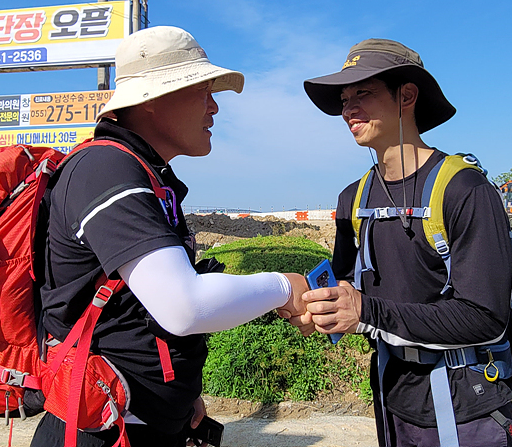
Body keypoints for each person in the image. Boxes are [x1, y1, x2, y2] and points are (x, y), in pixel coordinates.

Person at [33, 26, 310, 447]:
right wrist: (282, 287)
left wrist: (181, 393)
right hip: (101, 432)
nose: (214, 107)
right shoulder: (107, 170)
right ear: (152, 99)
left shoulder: (143, 172)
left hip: (139, 420)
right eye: (202, 91)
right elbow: (184, 306)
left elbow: (135, 307)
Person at [296, 39, 512, 447]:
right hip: (391, 393)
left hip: (465, 404)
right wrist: (320, 307)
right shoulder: (353, 199)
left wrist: (367, 311)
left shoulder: (465, 189)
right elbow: (349, 286)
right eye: (344, 99)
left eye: (363, 93)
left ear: (407, 96)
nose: (348, 109)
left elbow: (486, 317)